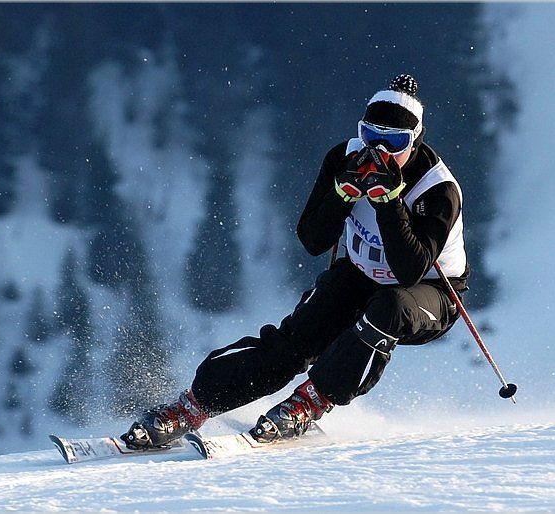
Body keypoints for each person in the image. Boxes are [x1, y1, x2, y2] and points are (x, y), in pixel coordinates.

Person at [122, 74, 469, 448]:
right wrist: (341, 195)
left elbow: (409, 270)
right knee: (292, 345)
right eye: (371, 136)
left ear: (415, 140)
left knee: (390, 307)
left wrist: (388, 202)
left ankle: (311, 401)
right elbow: (313, 240)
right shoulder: (343, 158)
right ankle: (193, 406)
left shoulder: (437, 189)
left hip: (429, 292)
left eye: (395, 142)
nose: (380, 151)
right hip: (359, 274)